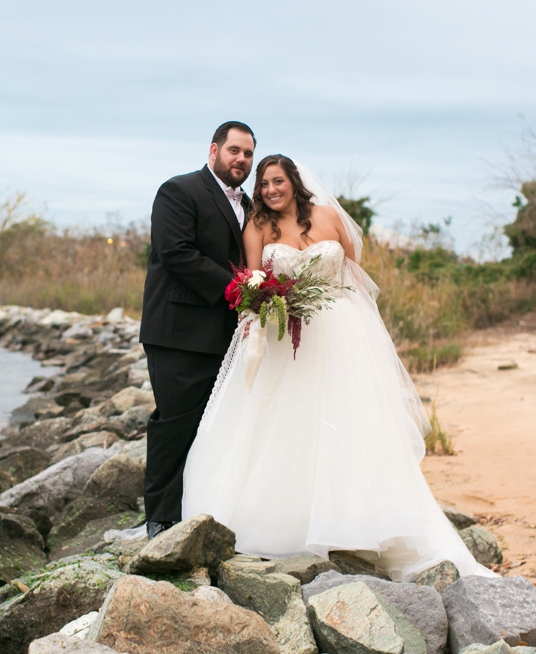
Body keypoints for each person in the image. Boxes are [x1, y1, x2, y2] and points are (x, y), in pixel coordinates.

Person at [182, 154, 497, 581]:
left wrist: (365, 331)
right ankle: (288, 525)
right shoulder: (257, 227)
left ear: (293, 181)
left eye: (278, 181)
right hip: (284, 336)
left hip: (341, 331)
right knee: (287, 424)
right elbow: (252, 278)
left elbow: (354, 275)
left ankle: (358, 522)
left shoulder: (329, 217)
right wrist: (261, 302)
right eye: (265, 184)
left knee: (348, 422)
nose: (272, 190)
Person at [139, 121, 255, 540]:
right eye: (234, 151)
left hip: (229, 337)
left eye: (247, 154)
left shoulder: (252, 205)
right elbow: (176, 252)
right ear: (214, 150)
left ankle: (201, 510)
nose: (241, 159)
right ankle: (160, 519)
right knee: (174, 423)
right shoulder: (179, 191)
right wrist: (237, 288)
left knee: (214, 428)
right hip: (178, 332)